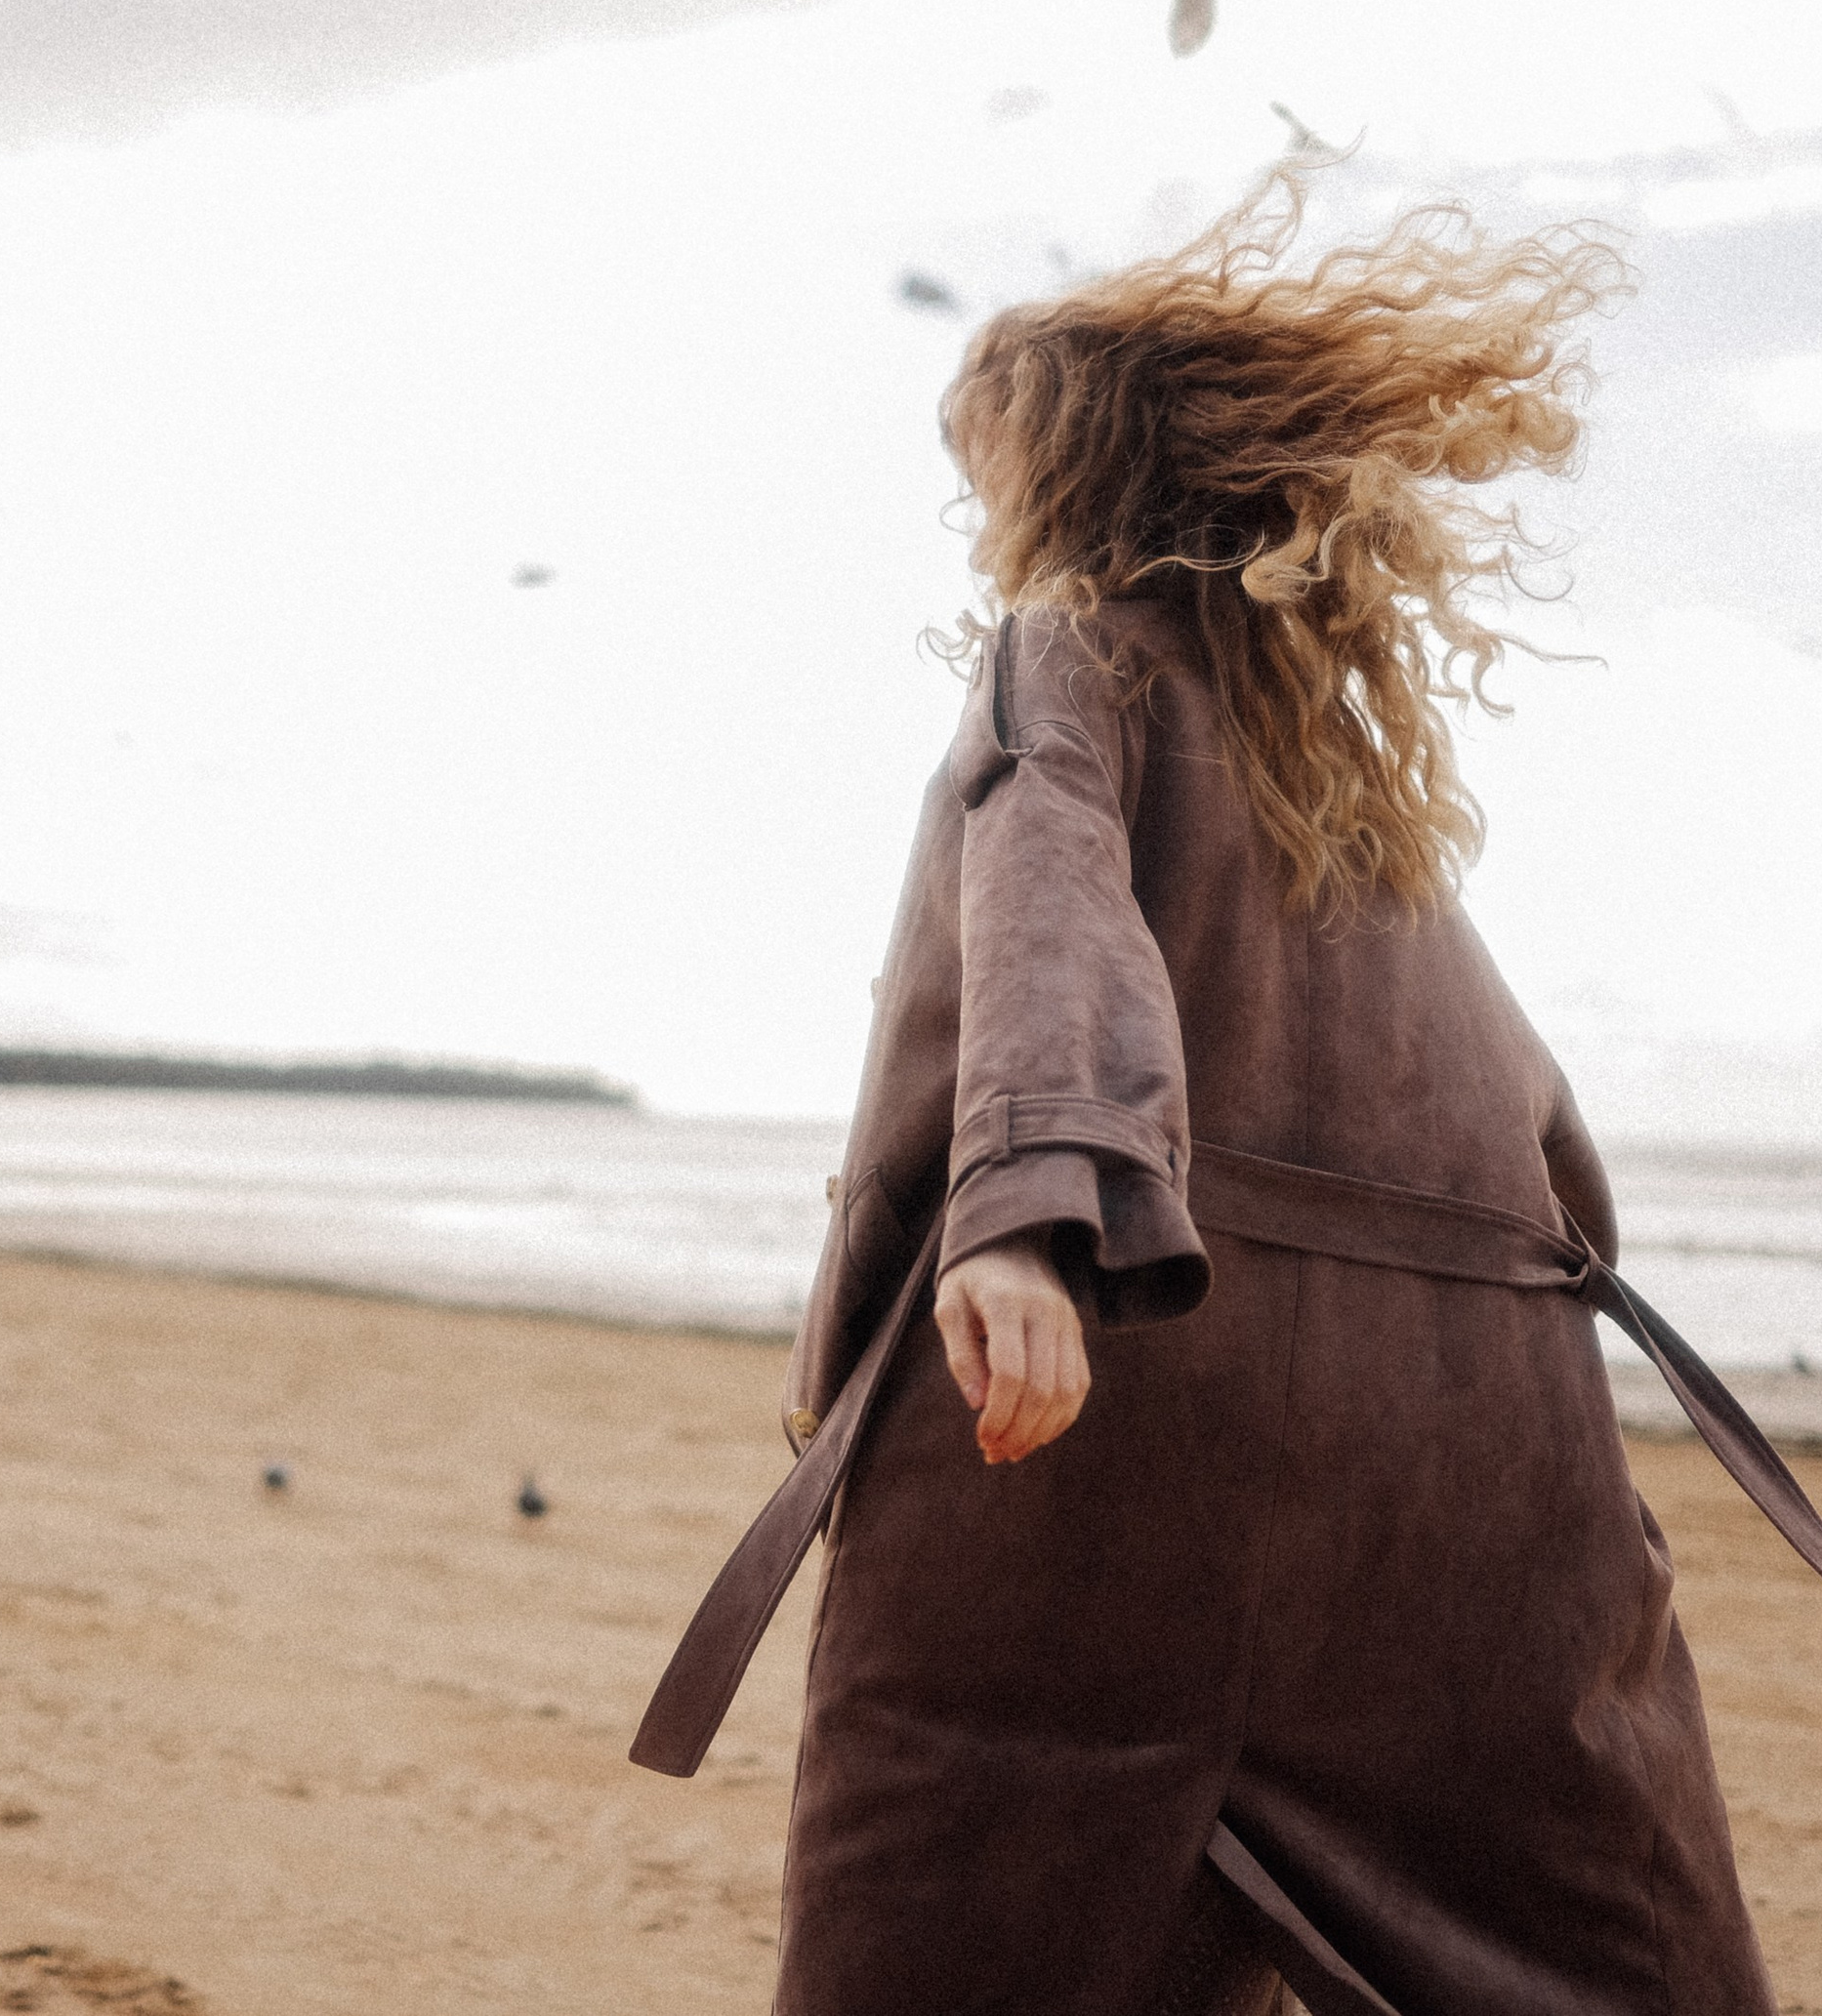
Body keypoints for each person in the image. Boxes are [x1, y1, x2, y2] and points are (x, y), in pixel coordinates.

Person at [631, 183, 1822, 2014]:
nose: (980, 525)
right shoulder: (1349, 771)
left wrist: (1027, 1214)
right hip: (1470, 1499)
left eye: (990, 473)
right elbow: (1546, 1147)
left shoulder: (1066, 653)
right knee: (1597, 1952)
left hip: (1115, 1463)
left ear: (1077, 478)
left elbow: (1050, 910)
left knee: (959, 1938)